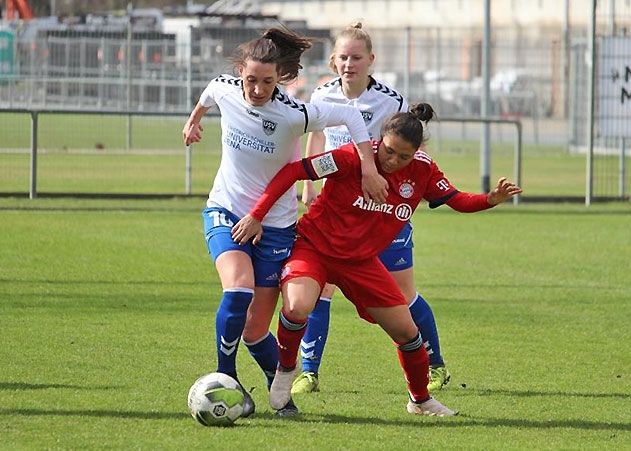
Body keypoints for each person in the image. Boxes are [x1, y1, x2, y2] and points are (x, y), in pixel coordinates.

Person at [231, 103, 522, 417]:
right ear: (379, 139)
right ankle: (287, 369)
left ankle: (420, 401)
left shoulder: (423, 170)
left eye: (404, 156)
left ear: (417, 152)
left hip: (360, 262)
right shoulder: (349, 157)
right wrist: (257, 215)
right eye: (389, 151)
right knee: (298, 305)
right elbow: (293, 171)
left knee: (408, 334)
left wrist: (490, 200)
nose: (394, 160)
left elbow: (456, 199)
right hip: (314, 248)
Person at [182, 26, 388, 417]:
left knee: (257, 329)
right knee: (238, 289)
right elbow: (210, 92)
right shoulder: (226, 87)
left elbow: (350, 116)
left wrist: (365, 166)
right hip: (225, 211)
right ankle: (227, 379)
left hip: (276, 226)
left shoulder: (296, 114)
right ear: (239, 73)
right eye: (250, 80)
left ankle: (278, 390)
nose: (257, 89)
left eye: (267, 81)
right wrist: (194, 120)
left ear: (282, 79)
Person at [294, 22, 451, 395]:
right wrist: (309, 182)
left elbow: (406, 153)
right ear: (334, 60)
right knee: (322, 288)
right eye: (343, 57)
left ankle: (436, 364)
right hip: (337, 211)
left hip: (379, 211)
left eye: (357, 58)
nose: (349, 64)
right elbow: (316, 137)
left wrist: (414, 191)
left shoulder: (389, 100)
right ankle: (309, 372)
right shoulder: (322, 94)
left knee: (403, 295)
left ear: (371, 61)